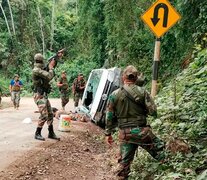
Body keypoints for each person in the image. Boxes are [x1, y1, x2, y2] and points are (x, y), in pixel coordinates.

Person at [105, 65, 165, 180]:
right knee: (161, 152)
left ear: (123, 77)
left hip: (125, 134)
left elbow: (109, 116)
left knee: (124, 165)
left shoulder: (114, 94)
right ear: (136, 78)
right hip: (142, 132)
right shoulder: (143, 92)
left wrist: (108, 134)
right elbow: (153, 112)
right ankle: (168, 173)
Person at [32, 53, 60, 141]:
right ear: (41, 60)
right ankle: (37, 133)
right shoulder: (36, 70)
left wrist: (55, 59)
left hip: (43, 95)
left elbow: (47, 70)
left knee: (51, 114)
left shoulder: (40, 69)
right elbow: (49, 76)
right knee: (44, 115)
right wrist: (51, 67)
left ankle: (51, 133)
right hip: (39, 95)